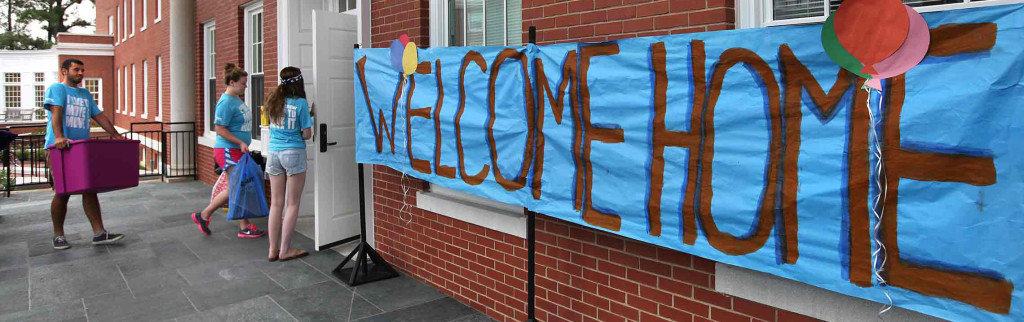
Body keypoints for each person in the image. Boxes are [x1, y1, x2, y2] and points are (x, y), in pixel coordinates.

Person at [45, 58, 125, 250]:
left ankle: (99, 233)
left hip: (81, 149)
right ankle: (58, 235)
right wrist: (59, 137)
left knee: (90, 189)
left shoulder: (85, 94)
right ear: (64, 71)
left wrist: (115, 135)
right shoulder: (57, 89)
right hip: (60, 147)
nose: (80, 73)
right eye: (76, 70)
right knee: (63, 192)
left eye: (82, 70)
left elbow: (99, 116)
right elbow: (56, 113)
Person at [191, 63, 266, 238]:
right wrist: (240, 142)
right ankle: (208, 215)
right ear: (232, 82)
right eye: (243, 83)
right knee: (236, 186)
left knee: (238, 186)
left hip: (237, 149)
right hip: (227, 149)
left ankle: (235, 223)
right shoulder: (225, 103)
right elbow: (219, 128)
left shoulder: (236, 99)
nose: (246, 86)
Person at [264, 67, 313, 261]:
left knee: (276, 203)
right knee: (292, 203)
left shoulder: (273, 101)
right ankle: (285, 250)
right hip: (293, 153)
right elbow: (306, 134)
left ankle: (272, 249)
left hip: (273, 153)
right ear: (299, 82)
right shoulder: (300, 104)